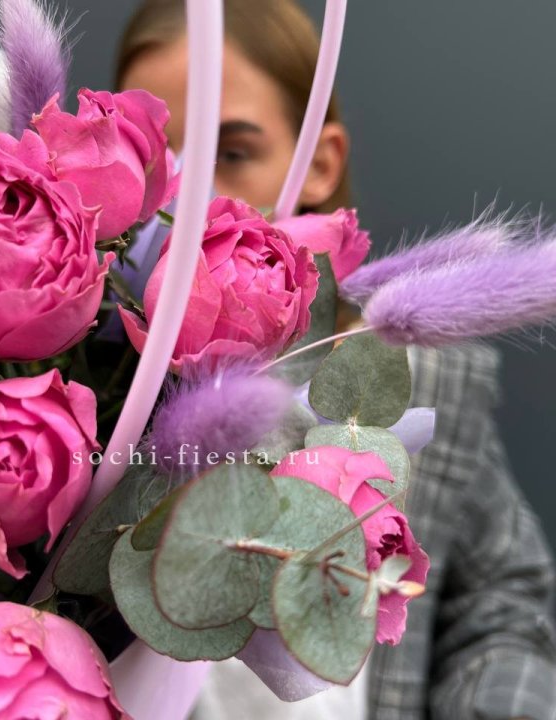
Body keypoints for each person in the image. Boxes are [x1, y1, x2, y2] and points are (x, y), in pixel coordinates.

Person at [116, 1, 556, 719]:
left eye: (232, 154)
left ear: (319, 164)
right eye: (158, 164)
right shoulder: (106, 395)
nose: (192, 200)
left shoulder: (424, 385)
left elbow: (501, 598)